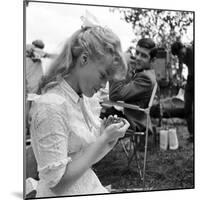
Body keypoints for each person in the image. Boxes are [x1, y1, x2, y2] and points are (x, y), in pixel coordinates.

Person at [28, 25, 130, 197]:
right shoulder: (51, 106)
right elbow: (57, 185)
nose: (104, 86)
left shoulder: (84, 99)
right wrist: (103, 139)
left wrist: (108, 139)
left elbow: (83, 162)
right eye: (103, 75)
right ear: (84, 59)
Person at [109, 38, 157, 134]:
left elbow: (114, 95)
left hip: (134, 122)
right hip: (130, 116)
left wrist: (122, 64)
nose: (138, 58)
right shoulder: (144, 73)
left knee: (96, 115)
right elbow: (122, 88)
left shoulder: (146, 78)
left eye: (143, 56)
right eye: (137, 53)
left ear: (152, 60)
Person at [171, 41, 194, 142]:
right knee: (187, 108)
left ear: (184, 47)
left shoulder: (193, 51)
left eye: (181, 53)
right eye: (178, 55)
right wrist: (180, 78)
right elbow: (180, 65)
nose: (181, 56)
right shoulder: (181, 56)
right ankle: (192, 134)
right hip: (190, 80)